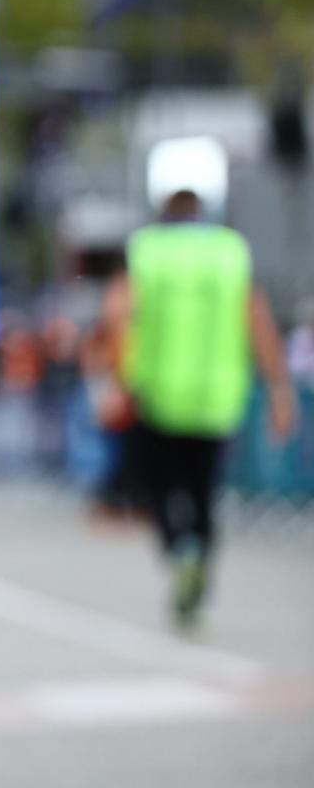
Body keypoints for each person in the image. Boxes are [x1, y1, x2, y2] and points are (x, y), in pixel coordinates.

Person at [98, 189, 300, 625]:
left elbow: (118, 313)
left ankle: (179, 550)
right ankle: (200, 565)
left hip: (157, 395)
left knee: (156, 488)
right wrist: (280, 390)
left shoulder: (147, 251)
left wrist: (115, 379)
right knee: (204, 493)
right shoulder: (230, 253)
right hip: (217, 399)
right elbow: (258, 319)